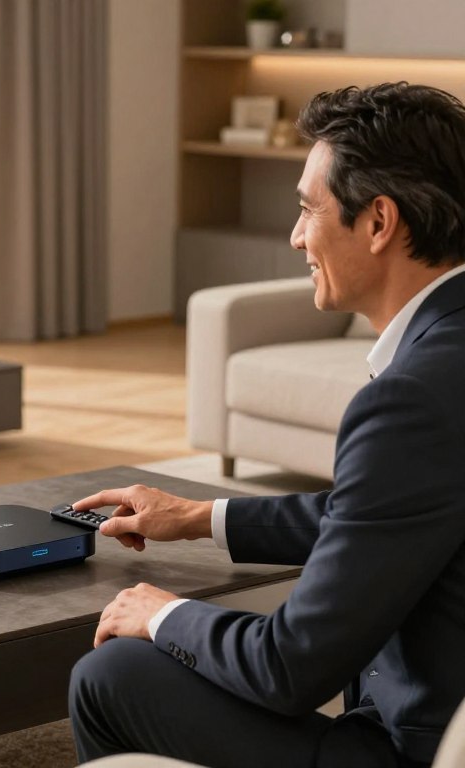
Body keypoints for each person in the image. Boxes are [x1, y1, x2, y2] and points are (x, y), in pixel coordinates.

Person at [68, 83, 465, 768]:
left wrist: (161, 615)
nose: (296, 236)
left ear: (378, 223)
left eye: (308, 210)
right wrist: (200, 517)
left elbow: (290, 667)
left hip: (412, 751)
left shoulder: (411, 401)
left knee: (109, 676)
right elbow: (389, 512)